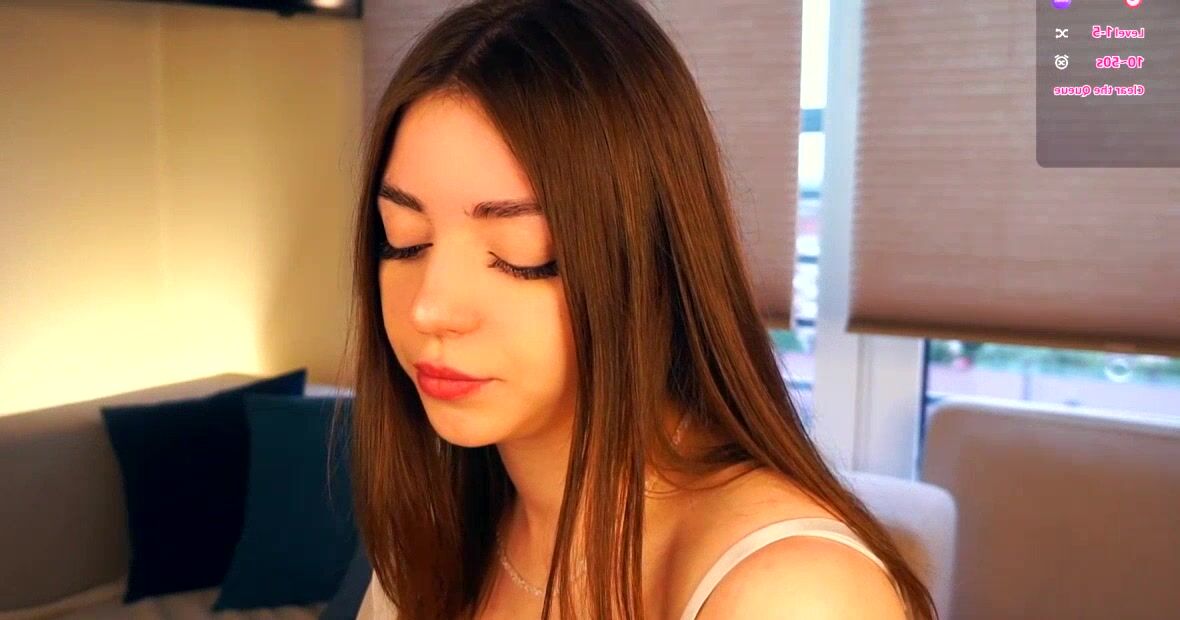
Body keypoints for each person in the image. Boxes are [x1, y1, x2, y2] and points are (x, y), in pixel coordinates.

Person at [340, 0, 938, 618]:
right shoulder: (435, 541)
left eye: (519, 253)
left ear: (650, 257)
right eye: (404, 240)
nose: (430, 308)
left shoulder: (791, 593)